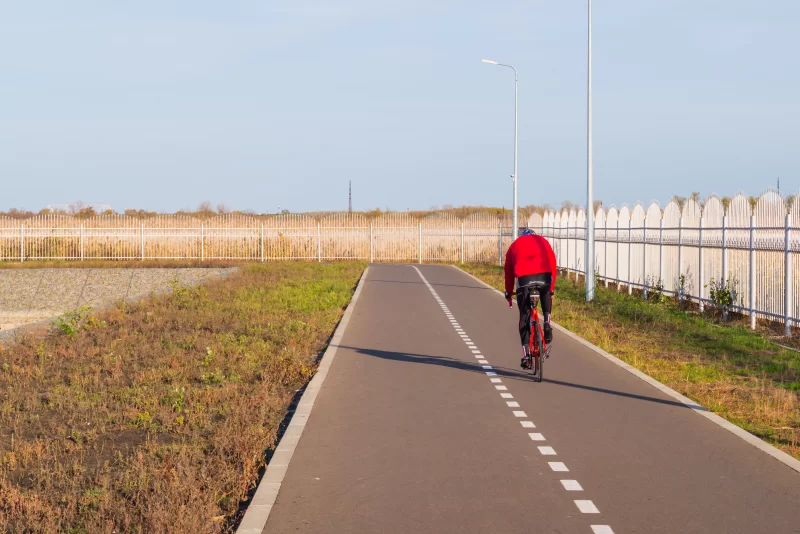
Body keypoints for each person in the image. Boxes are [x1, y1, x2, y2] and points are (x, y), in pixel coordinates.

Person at [503, 228, 557, 369]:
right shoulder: (543, 241)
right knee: (546, 293)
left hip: (524, 280)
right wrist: (551, 289)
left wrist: (509, 292)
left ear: (522, 236)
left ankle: (526, 355)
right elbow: (553, 265)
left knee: (524, 316)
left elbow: (508, 271)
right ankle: (546, 323)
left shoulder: (515, 245)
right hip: (544, 277)